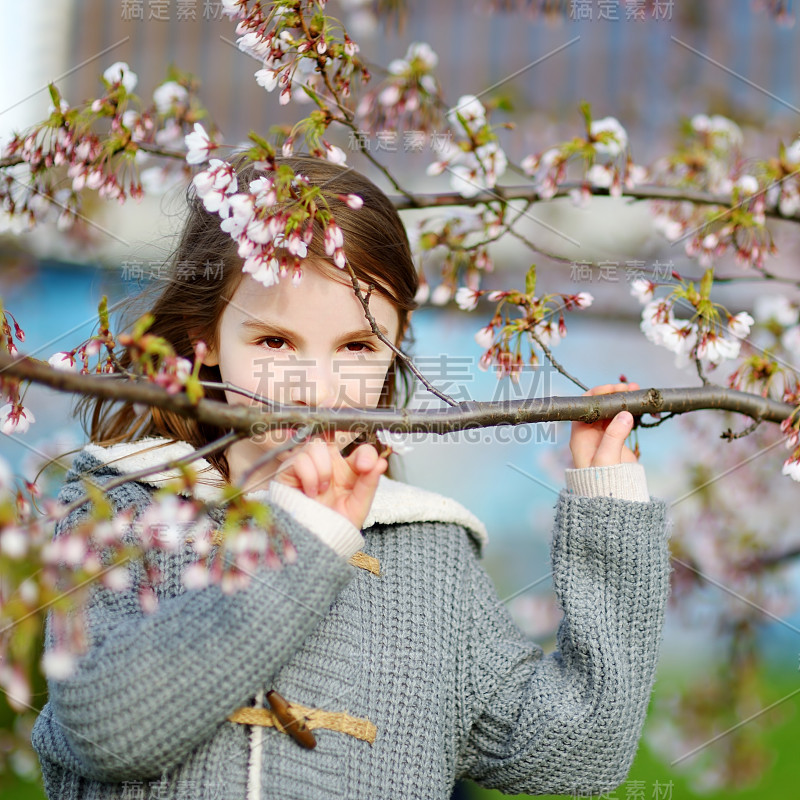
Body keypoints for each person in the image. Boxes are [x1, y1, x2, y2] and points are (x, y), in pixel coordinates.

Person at [31, 155, 671, 800]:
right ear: (206, 339)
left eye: (357, 347)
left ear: (394, 355)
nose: (315, 388)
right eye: (275, 342)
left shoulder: (427, 552)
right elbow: (107, 733)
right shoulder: (120, 504)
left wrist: (607, 507)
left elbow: (583, 752)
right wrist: (306, 546)